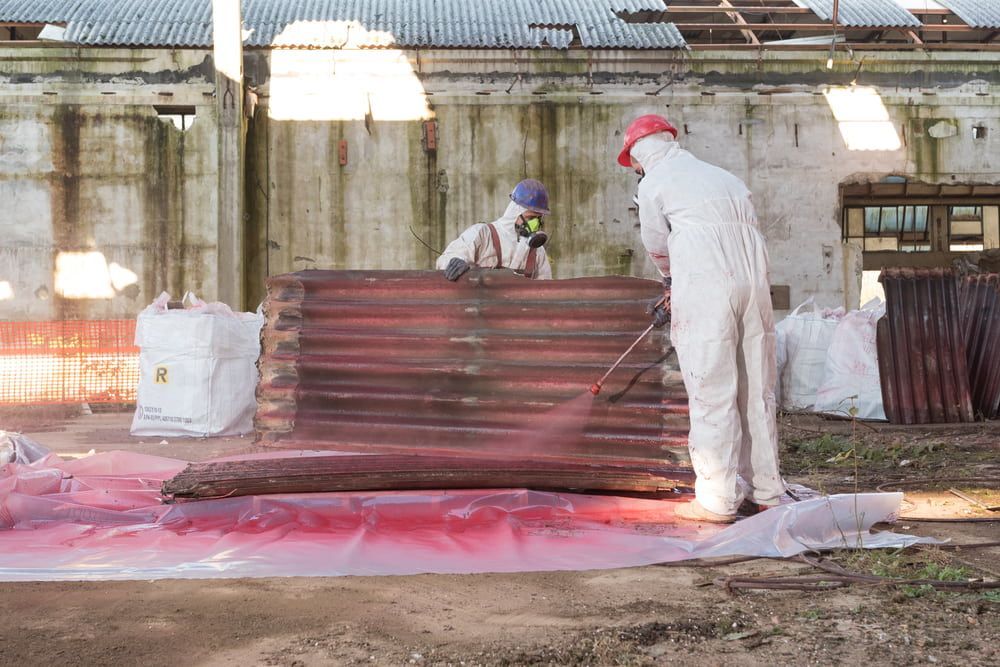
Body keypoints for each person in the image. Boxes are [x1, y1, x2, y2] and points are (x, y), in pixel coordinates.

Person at [618, 114, 784, 523]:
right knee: (757, 390)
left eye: (633, 164)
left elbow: (658, 245)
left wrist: (673, 282)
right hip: (755, 285)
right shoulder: (725, 178)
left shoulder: (654, 183)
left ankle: (717, 500)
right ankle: (767, 491)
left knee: (713, 389)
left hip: (708, 286)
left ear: (638, 154)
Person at [436, 179, 553, 281]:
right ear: (516, 211)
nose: (535, 224)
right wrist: (456, 262)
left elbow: (545, 288)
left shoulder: (537, 251)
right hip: (480, 304)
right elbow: (446, 260)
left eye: (539, 218)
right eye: (531, 217)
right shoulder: (483, 234)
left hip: (519, 306)